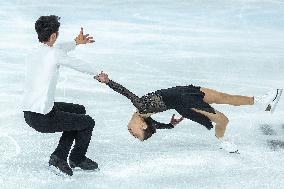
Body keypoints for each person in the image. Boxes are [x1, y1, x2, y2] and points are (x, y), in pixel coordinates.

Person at [95, 71, 282, 153]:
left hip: (183, 91)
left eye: (133, 134)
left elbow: (130, 97)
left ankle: (260, 102)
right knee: (223, 120)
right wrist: (108, 81)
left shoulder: (143, 111)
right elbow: (128, 94)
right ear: (143, 125)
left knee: (222, 97)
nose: (131, 133)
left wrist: (170, 124)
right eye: (135, 135)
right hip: (184, 101)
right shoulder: (142, 109)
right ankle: (223, 142)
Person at [22, 15, 98, 176]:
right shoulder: (54, 54)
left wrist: (76, 42)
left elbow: (58, 49)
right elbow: (77, 64)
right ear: (54, 35)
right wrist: (99, 74)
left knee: (79, 110)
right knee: (88, 123)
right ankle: (76, 158)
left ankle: (59, 155)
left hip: (29, 113)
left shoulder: (34, 51)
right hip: (43, 117)